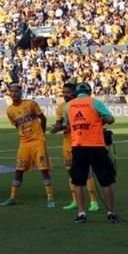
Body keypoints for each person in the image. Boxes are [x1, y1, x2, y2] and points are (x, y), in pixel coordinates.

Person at [63, 82, 118, 224]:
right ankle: (111, 212)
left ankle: (81, 213)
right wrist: (99, 121)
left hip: (78, 146)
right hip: (96, 145)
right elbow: (110, 119)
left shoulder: (68, 106)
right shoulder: (95, 102)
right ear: (89, 91)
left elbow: (67, 125)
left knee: (78, 181)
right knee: (106, 180)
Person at [1, 83, 54, 207]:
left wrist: (42, 134)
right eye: (11, 91)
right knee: (19, 169)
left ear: (21, 92)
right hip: (24, 142)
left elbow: (43, 118)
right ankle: (12, 197)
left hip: (37, 141)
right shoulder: (9, 111)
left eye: (16, 91)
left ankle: (50, 198)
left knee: (43, 169)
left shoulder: (30, 104)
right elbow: (17, 125)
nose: (14, 94)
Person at [51, 83, 100, 212]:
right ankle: (75, 200)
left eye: (67, 92)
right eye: (63, 93)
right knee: (71, 172)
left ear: (74, 92)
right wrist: (56, 128)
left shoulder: (81, 105)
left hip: (81, 142)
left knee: (86, 173)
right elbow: (59, 125)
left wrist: (62, 127)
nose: (65, 95)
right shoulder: (61, 108)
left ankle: (94, 201)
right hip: (67, 143)